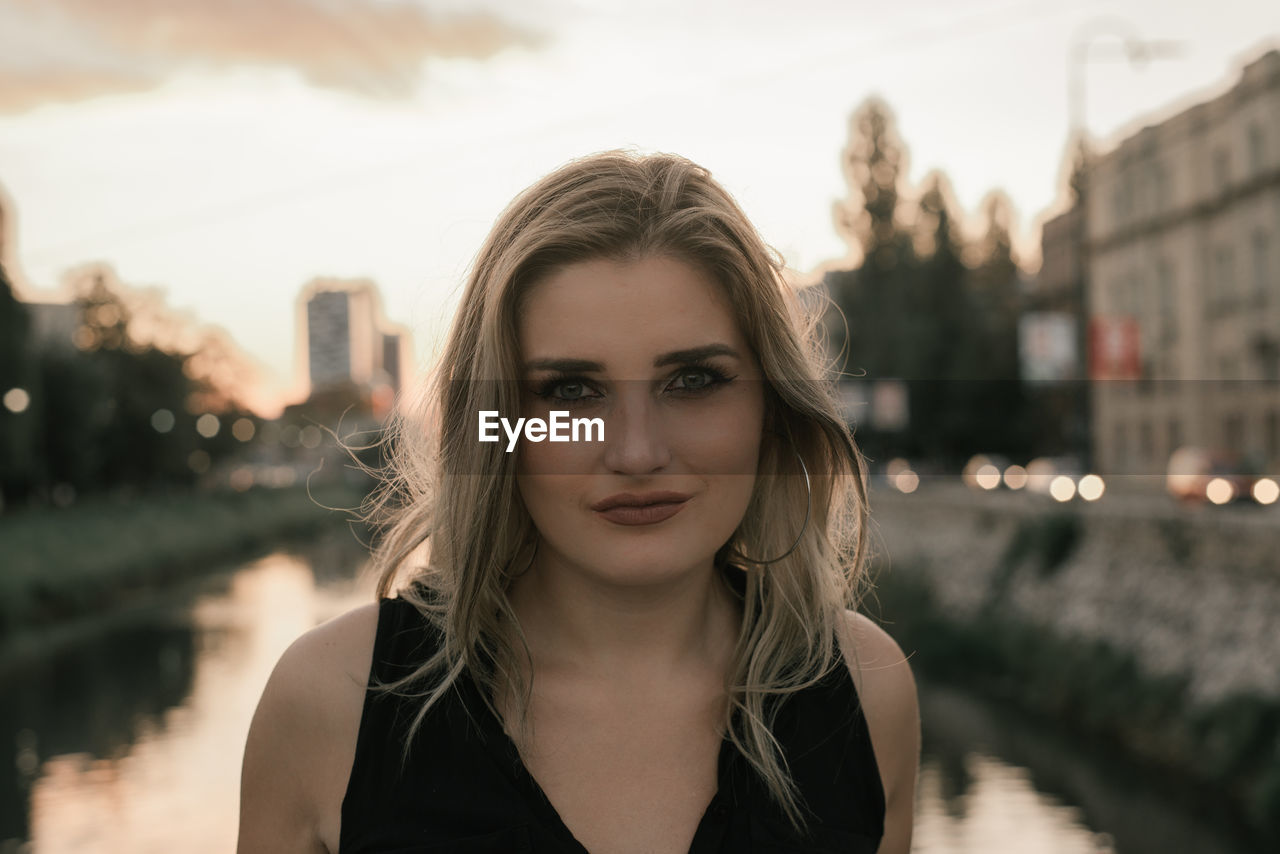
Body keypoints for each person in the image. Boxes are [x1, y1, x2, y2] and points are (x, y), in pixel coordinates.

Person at [237, 150, 919, 854]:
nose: (635, 452)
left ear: (770, 406)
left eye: (692, 380)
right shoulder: (332, 703)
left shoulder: (866, 693)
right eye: (570, 391)